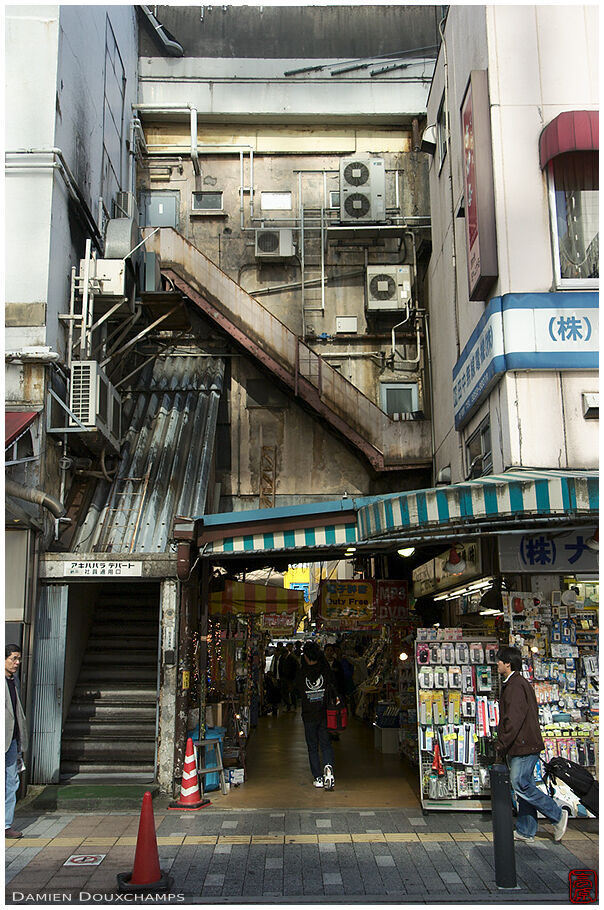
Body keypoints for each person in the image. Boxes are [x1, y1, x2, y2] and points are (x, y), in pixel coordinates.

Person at [496, 646, 568, 843]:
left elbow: (513, 719)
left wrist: (502, 743)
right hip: (523, 744)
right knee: (523, 784)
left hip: (523, 745)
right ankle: (526, 830)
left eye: (499, 661)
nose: (497, 664)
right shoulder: (517, 684)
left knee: (520, 783)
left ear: (507, 663)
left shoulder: (515, 686)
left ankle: (557, 814)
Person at [295, 641, 337, 790]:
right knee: (326, 745)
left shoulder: (301, 673)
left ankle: (318, 777)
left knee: (312, 747)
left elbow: (297, 692)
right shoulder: (325, 670)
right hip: (324, 713)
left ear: (305, 656)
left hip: (308, 716)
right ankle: (329, 770)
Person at [5, 643, 28, 839]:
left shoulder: (14, 680)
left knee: (11, 781)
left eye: (18, 659)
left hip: (11, 739)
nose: (17, 663)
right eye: (13, 658)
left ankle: (5, 825)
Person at [279, 642, 299, 711]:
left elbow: (296, 669)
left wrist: (294, 678)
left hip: (291, 678)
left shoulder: (292, 658)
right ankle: (287, 705)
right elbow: (280, 668)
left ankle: (293, 705)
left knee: (292, 692)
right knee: (284, 692)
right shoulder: (282, 658)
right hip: (284, 678)